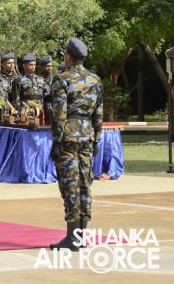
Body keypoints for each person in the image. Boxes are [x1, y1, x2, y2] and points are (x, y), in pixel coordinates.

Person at [49, 38, 103, 251]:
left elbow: (60, 113)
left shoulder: (62, 79)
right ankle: (81, 237)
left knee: (70, 185)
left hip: (68, 138)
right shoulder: (95, 79)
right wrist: (96, 139)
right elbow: (98, 114)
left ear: (69, 56)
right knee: (84, 185)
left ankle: (72, 238)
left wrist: (56, 140)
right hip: (87, 137)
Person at [11, 53, 44, 122]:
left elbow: (43, 96)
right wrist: (18, 115)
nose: (33, 67)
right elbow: (16, 99)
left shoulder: (40, 79)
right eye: (31, 65)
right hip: (26, 111)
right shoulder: (19, 80)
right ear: (24, 66)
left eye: (34, 65)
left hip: (39, 111)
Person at [0, 52, 19, 122]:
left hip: (17, 113)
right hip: (3, 113)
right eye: (9, 63)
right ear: (3, 64)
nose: (12, 65)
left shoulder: (18, 79)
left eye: (13, 63)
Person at [39, 55, 54, 124]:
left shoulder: (55, 79)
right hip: (40, 111)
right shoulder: (38, 80)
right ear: (42, 67)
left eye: (51, 66)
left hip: (51, 112)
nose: (50, 68)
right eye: (47, 66)